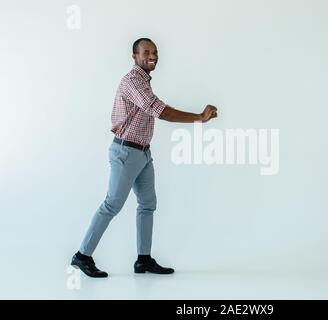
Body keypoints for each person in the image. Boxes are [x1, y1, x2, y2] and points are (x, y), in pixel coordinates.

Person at [70, 38, 218, 278]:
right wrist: (199, 118)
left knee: (148, 204)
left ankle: (143, 260)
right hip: (126, 152)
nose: (153, 56)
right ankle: (82, 256)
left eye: (155, 52)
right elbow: (162, 111)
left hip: (143, 153)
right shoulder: (132, 82)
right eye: (146, 52)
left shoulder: (144, 82)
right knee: (112, 205)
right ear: (134, 56)